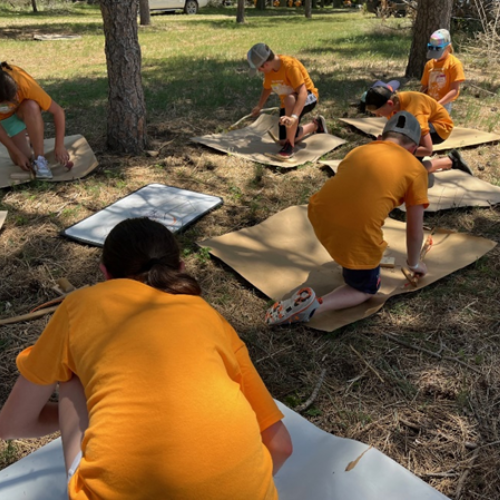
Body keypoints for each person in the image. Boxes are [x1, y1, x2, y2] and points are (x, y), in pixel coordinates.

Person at [0, 218, 292, 499]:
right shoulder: (208, 316)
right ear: (180, 267)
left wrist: (94, 409)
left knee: (71, 372)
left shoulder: (78, 306)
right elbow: (280, 446)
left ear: (105, 274)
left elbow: (13, 425)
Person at [265, 112, 429, 326]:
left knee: (353, 248)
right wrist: (414, 263)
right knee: (365, 288)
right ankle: (314, 307)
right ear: (413, 150)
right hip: (354, 231)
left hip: (318, 212)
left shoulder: (359, 150)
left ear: (380, 138)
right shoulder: (416, 169)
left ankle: (353, 263)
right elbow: (414, 229)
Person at [361, 81, 473, 176]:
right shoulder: (394, 104)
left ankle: (450, 161)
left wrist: (399, 149)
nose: (378, 116)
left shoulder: (414, 113)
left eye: (379, 112)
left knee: (410, 171)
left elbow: (428, 150)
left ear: (390, 103)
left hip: (440, 128)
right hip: (421, 124)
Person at [247, 43, 328, 159]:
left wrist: (293, 117)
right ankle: (315, 125)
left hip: (309, 97)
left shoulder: (290, 66)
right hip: (289, 103)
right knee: (283, 139)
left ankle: (290, 146)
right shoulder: (269, 72)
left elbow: (303, 93)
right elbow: (267, 87)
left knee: (289, 99)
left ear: (266, 64)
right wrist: (259, 106)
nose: (260, 71)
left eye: (259, 69)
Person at [0, 61, 72, 179]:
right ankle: (27, 136)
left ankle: (40, 159)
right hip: (6, 117)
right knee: (23, 159)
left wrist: (59, 145)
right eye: (10, 102)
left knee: (31, 106)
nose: (16, 99)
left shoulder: (24, 84)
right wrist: (18, 154)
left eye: (15, 96)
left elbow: (58, 111)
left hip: (26, 108)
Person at [420, 29, 465, 114]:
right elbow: (424, 87)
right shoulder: (429, 64)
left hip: (444, 104)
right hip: (429, 102)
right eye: (432, 48)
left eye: (438, 50)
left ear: (448, 47)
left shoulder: (454, 64)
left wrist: (438, 104)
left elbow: (454, 90)